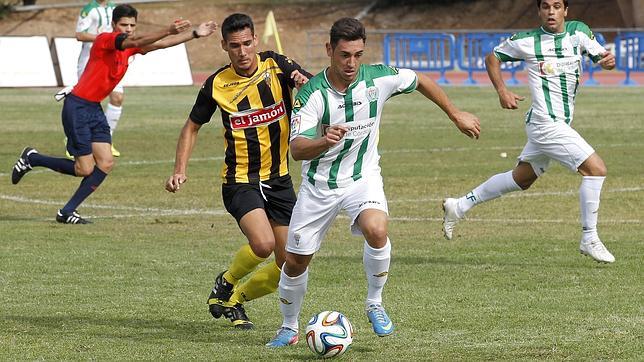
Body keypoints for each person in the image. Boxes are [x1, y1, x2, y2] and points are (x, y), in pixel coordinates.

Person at [266, 17, 481, 347]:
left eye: (358, 55)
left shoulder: (377, 78)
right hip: (319, 186)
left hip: (362, 178)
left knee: (377, 229)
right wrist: (324, 141)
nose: (351, 63)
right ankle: (288, 327)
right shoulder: (312, 95)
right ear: (329, 50)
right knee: (295, 261)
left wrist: (455, 114)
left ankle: (375, 304)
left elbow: (420, 80)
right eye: (344, 55)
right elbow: (296, 150)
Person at [164, 13, 311, 330]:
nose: (242, 52)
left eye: (247, 44)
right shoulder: (217, 83)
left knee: (291, 264)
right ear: (224, 46)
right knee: (263, 244)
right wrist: (180, 169)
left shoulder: (277, 65)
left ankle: (235, 299)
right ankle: (226, 280)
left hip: (279, 180)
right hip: (239, 181)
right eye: (234, 46)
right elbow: (192, 127)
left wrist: (305, 84)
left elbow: (313, 86)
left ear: (256, 41)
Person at [442, 0, 616, 263]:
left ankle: (459, 205)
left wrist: (608, 62)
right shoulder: (527, 40)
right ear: (539, 11)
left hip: (555, 124)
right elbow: (492, 57)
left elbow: (603, 59)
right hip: (546, 124)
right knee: (596, 169)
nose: (551, 12)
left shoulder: (579, 32)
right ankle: (589, 237)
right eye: (545, 6)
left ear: (566, 11)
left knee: (522, 178)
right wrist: (502, 91)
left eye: (557, 6)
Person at [11, 4, 217, 224]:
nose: (128, 29)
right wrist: (168, 28)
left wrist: (195, 33)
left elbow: (162, 44)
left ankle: (66, 212)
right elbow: (139, 41)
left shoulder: (130, 47)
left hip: (94, 109)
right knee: (84, 168)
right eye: (123, 24)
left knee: (106, 162)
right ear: (113, 24)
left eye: (132, 25)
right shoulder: (105, 39)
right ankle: (33, 158)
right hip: (77, 107)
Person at [75, 0, 123, 157]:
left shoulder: (114, 8)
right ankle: (74, 138)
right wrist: (104, 39)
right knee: (88, 102)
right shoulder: (89, 9)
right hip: (91, 60)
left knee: (117, 98)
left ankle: (106, 141)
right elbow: (80, 34)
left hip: (111, 60)